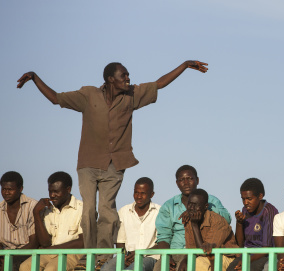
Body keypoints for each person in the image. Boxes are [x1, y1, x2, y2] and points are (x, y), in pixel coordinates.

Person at [17, 60, 208, 251]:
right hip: (89, 163)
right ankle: (89, 252)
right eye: (123, 75)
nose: (127, 78)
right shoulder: (88, 95)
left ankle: (101, 254)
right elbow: (56, 98)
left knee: (107, 211)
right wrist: (35, 78)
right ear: (110, 79)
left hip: (114, 164)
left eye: (127, 75)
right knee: (89, 210)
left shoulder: (131, 95)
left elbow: (159, 84)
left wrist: (184, 66)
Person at [154, 165, 231, 271]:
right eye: (182, 180)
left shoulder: (211, 201)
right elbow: (163, 237)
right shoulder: (168, 206)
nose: (186, 183)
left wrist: (199, 211)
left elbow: (226, 220)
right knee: (159, 268)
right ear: (177, 183)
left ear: (197, 180)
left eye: (190, 179)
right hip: (174, 253)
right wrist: (166, 257)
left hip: (200, 251)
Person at [19, 172, 84, 271]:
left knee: (51, 269)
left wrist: (54, 249)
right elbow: (45, 243)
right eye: (50, 191)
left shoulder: (81, 208)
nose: (52, 195)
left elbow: (82, 242)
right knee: (25, 267)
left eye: (56, 191)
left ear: (68, 190)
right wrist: (36, 213)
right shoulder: (47, 210)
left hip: (72, 253)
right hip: (49, 252)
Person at [100, 177, 160, 271]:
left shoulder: (159, 212)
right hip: (127, 257)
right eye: (136, 192)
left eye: (143, 193)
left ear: (151, 194)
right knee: (106, 268)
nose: (138, 196)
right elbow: (120, 240)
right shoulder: (124, 211)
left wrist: (140, 253)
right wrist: (124, 257)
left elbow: (162, 242)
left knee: (134, 269)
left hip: (150, 257)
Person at [179, 189, 238, 271]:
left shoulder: (218, 221)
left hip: (226, 257)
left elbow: (205, 251)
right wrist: (185, 261)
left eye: (195, 205)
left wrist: (194, 225)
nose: (191, 208)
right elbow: (191, 249)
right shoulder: (189, 221)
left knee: (198, 264)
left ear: (205, 206)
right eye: (189, 204)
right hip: (205, 257)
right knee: (184, 265)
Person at [226, 178, 278, 271]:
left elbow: (266, 249)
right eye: (243, 199)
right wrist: (239, 222)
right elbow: (240, 244)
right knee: (231, 268)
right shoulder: (245, 210)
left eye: (249, 199)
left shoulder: (268, 211)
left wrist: (247, 261)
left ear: (260, 196)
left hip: (265, 257)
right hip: (247, 255)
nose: (246, 203)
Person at [0, 172, 38, 271]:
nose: (6, 193)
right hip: (6, 255)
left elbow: (34, 242)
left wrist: (11, 258)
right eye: (4, 189)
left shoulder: (32, 206)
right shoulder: (0, 209)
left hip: (28, 254)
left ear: (20, 189)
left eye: (10, 189)